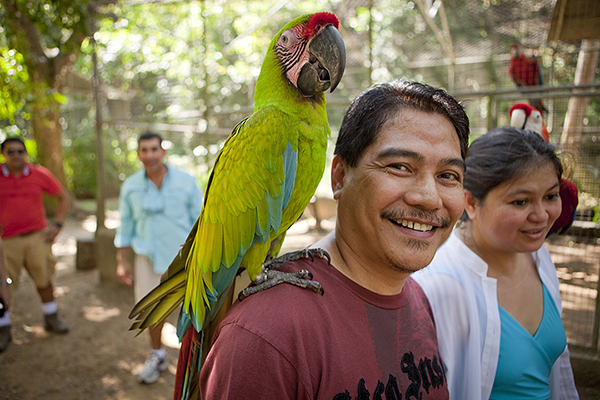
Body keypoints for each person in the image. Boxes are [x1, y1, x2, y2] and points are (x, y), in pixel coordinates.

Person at [199, 81, 470, 399]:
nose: (428, 197)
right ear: (339, 177)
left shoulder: (417, 297)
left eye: (448, 175)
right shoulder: (268, 335)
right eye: (399, 167)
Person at [413, 127, 579, 400]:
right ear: (471, 203)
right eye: (521, 201)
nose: (541, 215)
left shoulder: (540, 257)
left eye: (550, 196)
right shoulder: (439, 285)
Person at [114, 131, 202, 384]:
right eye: (144, 150)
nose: (149, 155)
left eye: (154, 149)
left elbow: (202, 220)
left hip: (184, 260)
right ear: (138, 154)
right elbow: (125, 227)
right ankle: (157, 354)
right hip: (147, 259)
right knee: (153, 311)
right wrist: (122, 262)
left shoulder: (186, 181)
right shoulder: (130, 186)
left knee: (194, 310)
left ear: (163, 152)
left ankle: (196, 362)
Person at [0, 137, 71, 352]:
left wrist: (57, 225)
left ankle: (51, 317)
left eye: (20, 151)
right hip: (6, 241)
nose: (16, 155)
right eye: (10, 151)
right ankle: (3, 328)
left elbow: (63, 197)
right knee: (2, 285)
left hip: (36, 238)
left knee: (44, 278)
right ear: (3, 154)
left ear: (25, 154)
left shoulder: (39, 173)